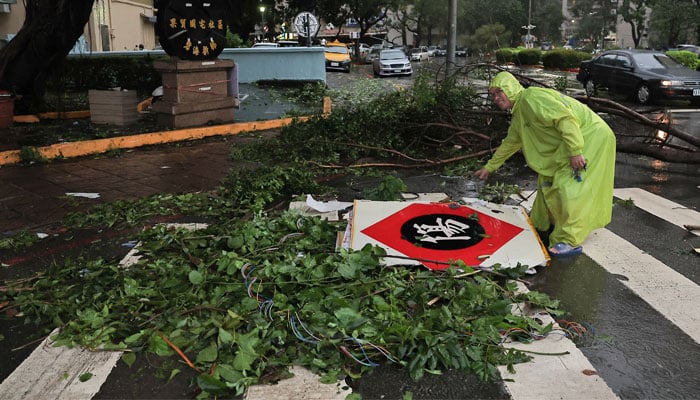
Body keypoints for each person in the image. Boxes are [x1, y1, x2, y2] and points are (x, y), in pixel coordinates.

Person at [473, 71, 616, 257]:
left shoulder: (532, 98)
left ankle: (569, 240)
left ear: (511, 87)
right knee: (548, 180)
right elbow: (510, 143)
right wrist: (489, 167)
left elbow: (565, 118)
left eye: (499, 91)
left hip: (590, 136)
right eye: (492, 94)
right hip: (572, 142)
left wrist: (575, 151)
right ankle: (546, 222)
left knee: (571, 187)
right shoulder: (520, 113)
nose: (496, 97)